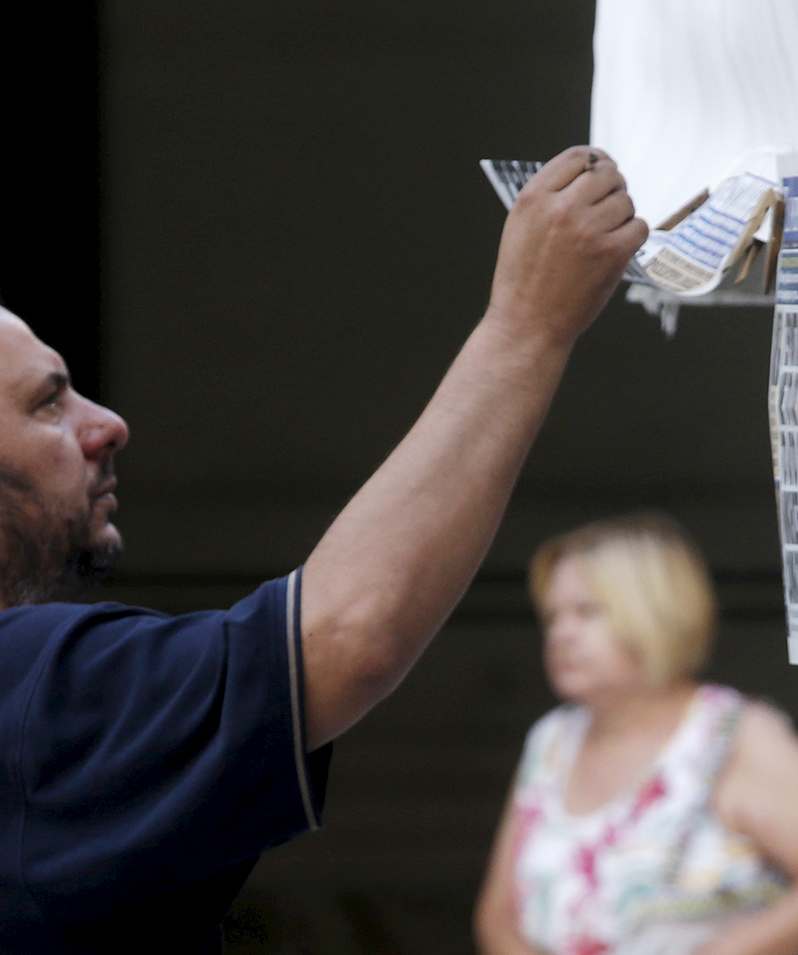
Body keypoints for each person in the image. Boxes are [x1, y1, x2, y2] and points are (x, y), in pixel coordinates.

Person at [0, 145, 646, 952]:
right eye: (47, 404)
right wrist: (529, 325)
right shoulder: (22, 687)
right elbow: (341, 637)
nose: (107, 423)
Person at [476, 515, 798, 955]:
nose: (560, 634)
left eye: (586, 612)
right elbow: (497, 918)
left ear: (655, 612)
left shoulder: (733, 736)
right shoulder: (552, 741)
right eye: (553, 615)